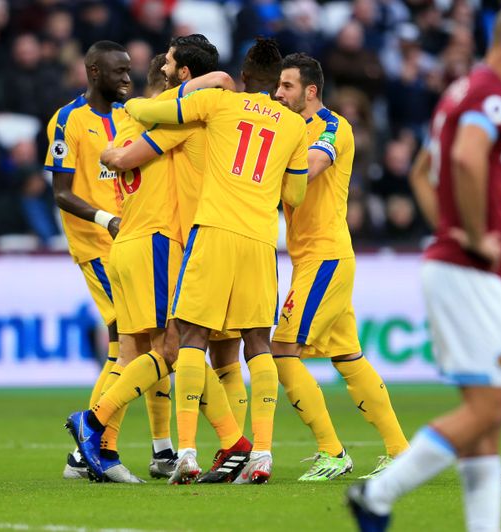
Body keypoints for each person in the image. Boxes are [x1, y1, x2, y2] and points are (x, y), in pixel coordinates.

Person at [347, 4, 501, 531]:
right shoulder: (493, 95)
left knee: (484, 426)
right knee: (488, 410)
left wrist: (450, 227)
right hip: (467, 273)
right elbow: (465, 157)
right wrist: (473, 233)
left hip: (452, 267)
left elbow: (422, 171)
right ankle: (377, 495)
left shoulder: (461, 91)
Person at [124, 37, 310, 484]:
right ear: (276, 84)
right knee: (257, 343)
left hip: (213, 232)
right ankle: (261, 454)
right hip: (260, 241)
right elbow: (296, 193)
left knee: (192, 336)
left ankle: (186, 451)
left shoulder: (220, 103)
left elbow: (151, 113)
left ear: (243, 77)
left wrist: (135, 104)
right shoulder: (294, 127)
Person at [66, 37, 250, 483]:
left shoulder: (128, 122)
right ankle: (94, 423)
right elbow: (222, 85)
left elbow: (119, 155)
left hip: (127, 245)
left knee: (132, 354)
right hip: (159, 243)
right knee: (177, 348)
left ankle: (100, 452)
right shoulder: (178, 123)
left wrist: (114, 152)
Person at [272, 53, 409, 481]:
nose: (278, 93)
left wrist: (263, 169)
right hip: (310, 258)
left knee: (282, 350)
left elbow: (313, 166)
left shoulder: (332, 126)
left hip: (325, 257)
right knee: (349, 358)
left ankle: (332, 451)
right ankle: (400, 451)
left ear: (310, 91)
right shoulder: (288, 127)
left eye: (287, 86)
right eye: (278, 85)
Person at [43, 40, 142, 483]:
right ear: (94, 71)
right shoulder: (68, 120)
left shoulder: (128, 117)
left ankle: (86, 452)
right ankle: (96, 447)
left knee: (129, 342)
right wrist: (107, 219)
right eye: (119, 71)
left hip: (132, 241)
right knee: (127, 337)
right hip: (97, 244)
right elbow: (61, 193)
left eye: (130, 70)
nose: (127, 78)